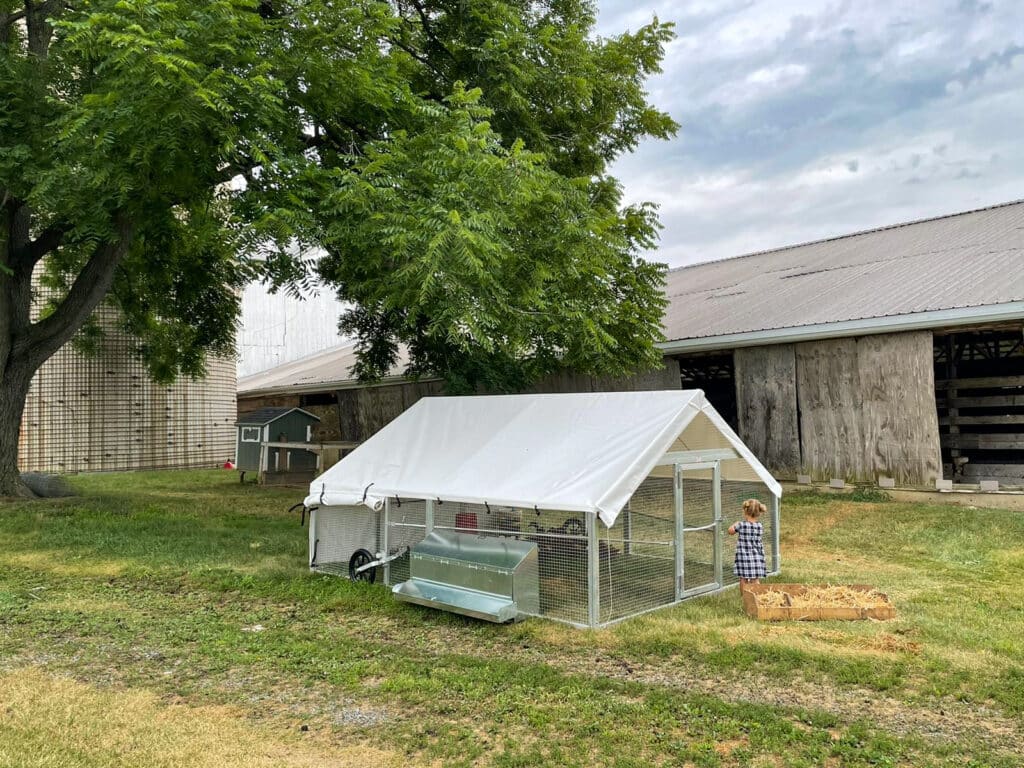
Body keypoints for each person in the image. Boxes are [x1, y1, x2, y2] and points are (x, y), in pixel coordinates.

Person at [728, 499, 767, 591]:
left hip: (743, 557)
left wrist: (735, 524)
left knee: (743, 578)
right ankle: (755, 596)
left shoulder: (741, 525)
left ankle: (744, 598)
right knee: (755, 579)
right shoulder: (759, 526)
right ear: (759, 513)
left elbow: (730, 531)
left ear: (745, 511)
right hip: (757, 556)